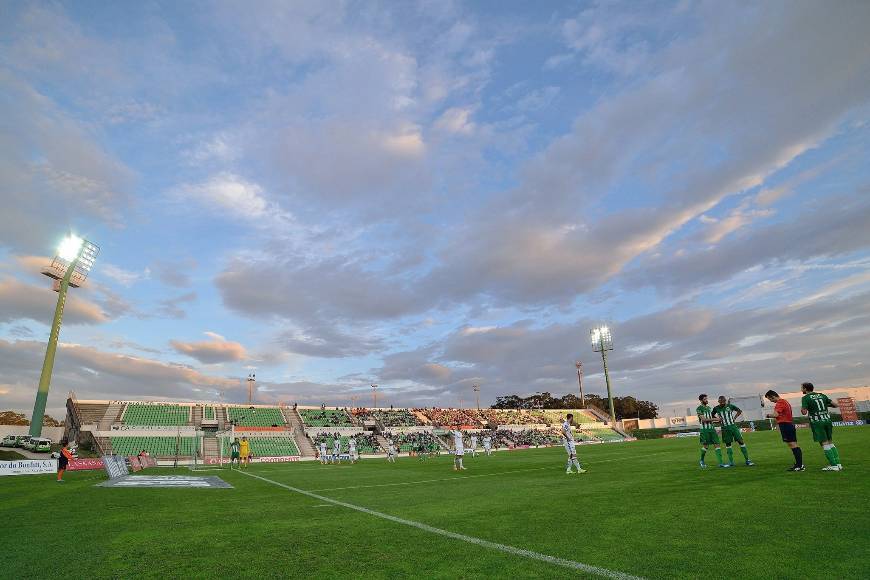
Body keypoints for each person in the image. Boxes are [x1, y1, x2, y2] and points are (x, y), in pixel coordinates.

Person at [800, 382, 843, 471]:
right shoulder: (822, 395)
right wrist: (825, 405)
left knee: (824, 443)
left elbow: (804, 412)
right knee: (830, 442)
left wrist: (804, 408)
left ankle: (833, 465)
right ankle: (838, 464)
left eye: (801, 388)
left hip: (817, 422)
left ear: (805, 389)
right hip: (827, 420)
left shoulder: (805, 398)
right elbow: (836, 405)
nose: (801, 390)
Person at [765, 390, 804, 471]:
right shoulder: (785, 401)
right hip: (789, 424)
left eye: (770, 399)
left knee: (792, 445)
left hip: (785, 425)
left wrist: (768, 415)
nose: (771, 401)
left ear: (773, 396)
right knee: (793, 444)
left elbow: (776, 414)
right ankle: (799, 464)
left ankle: (799, 465)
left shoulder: (780, 403)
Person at [711, 396, 754, 467]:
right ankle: (731, 462)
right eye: (721, 402)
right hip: (724, 428)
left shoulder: (730, 406)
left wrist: (734, 418)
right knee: (728, 444)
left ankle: (747, 460)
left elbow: (739, 411)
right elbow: (712, 415)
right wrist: (718, 419)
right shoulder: (716, 408)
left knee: (741, 441)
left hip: (733, 426)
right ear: (718, 402)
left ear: (725, 401)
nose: (722, 403)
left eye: (723, 401)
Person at [697, 394, 728, 468]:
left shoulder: (709, 408)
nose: (706, 400)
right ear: (701, 400)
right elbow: (704, 420)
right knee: (706, 446)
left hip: (712, 429)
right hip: (705, 430)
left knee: (717, 444)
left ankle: (721, 463)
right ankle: (701, 460)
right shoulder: (699, 408)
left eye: (706, 399)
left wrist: (719, 421)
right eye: (705, 399)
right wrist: (716, 419)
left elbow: (711, 419)